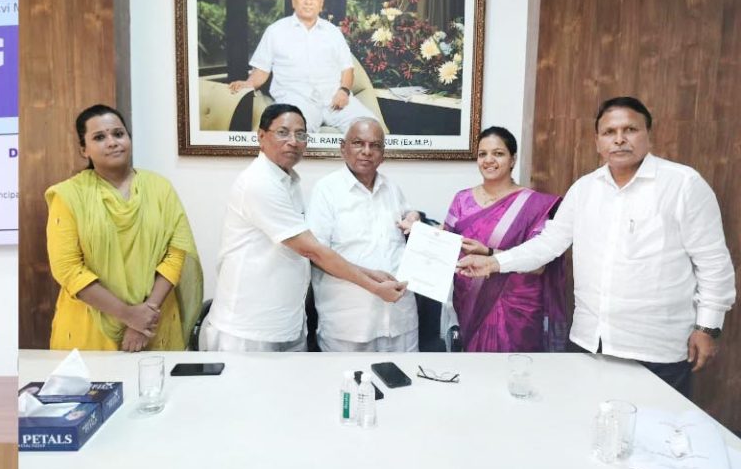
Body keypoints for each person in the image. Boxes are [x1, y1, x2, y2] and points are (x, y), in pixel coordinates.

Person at [459, 97, 735, 396]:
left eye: (630, 129)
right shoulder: (584, 189)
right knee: (586, 418)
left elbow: (713, 263)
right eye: (609, 132)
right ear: (597, 141)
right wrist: (494, 263)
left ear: (648, 135)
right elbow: (549, 243)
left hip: (657, 347)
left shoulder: (683, 184)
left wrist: (707, 327)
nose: (619, 139)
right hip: (590, 342)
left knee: (658, 422)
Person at [199, 104, 406, 352]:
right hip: (249, 326)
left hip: (286, 320)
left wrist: (372, 274)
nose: (293, 141)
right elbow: (313, 251)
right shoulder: (259, 183)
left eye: (300, 134)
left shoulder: (289, 181)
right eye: (283, 132)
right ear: (261, 136)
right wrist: (374, 286)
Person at [45, 105, 203, 352]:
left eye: (118, 134)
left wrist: (144, 318)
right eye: (99, 137)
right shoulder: (68, 196)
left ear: (129, 138)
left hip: (154, 321)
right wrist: (128, 315)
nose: (112, 142)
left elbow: (176, 253)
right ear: (84, 149)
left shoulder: (160, 188)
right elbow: (68, 268)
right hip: (91, 327)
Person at [442, 127, 567, 353]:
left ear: (513, 159)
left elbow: (538, 265)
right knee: (472, 368)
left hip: (515, 307)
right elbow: (444, 243)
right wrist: (417, 228)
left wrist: (489, 252)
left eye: (498, 153)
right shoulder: (462, 199)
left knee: (514, 368)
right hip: (468, 300)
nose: (488, 160)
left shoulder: (533, 206)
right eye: (482, 154)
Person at [306, 118, 420, 352]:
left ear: (383, 154)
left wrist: (414, 217)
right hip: (350, 324)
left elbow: (408, 218)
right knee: (347, 377)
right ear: (343, 148)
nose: (367, 151)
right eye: (358, 143)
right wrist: (372, 283)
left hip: (399, 319)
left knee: (408, 377)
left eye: (375, 145)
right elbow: (317, 256)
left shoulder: (392, 188)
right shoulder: (326, 190)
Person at [227, 0, 378, 134]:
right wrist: (247, 84)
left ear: (321, 3)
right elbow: (261, 71)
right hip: (297, 101)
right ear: (293, 0)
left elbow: (347, 69)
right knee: (293, 134)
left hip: (334, 101)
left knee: (371, 130)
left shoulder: (333, 32)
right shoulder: (275, 31)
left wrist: (344, 91)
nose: (308, 2)